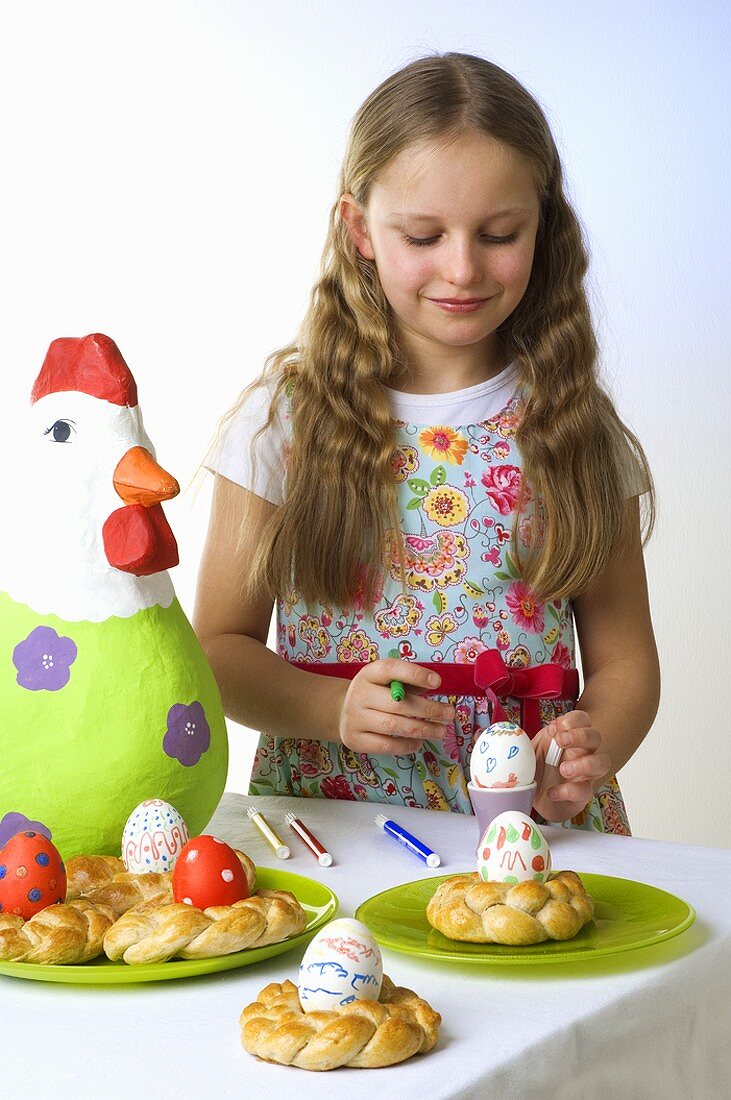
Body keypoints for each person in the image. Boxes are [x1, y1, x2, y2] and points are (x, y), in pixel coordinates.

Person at [194, 52, 660, 834]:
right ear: (359, 230)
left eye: (498, 233)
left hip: (526, 840)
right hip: (333, 836)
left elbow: (625, 663)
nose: (461, 267)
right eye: (422, 234)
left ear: (542, 226)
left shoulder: (572, 424)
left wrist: (591, 746)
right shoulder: (285, 422)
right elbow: (217, 648)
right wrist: (328, 705)